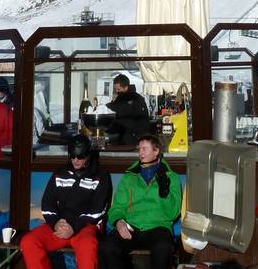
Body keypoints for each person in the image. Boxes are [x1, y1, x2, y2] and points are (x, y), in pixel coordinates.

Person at [21, 135, 112, 269]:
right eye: (72, 156)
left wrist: (74, 227)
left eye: (80, 157)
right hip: (61, 225)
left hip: (84, 226)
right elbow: (47, 202)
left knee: (88, 246)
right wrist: (55, 222)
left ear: (88, 155)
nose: (75, 160)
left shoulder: (100, 176)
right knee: (29, 241)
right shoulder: (60, 173)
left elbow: (98, 210)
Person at [99, 134, 182, 269]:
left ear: (156, 151)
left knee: (164, 248)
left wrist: (164, 193)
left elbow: (172, 214)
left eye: (144, 149)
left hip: (158, 226)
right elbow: (117, 207)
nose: (140, 152)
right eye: (139, 149)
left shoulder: (171, 177)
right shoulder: (130, 177)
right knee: (107, 247)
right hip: (132, 225)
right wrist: (119, 222)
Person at [106, 74, 150, 145]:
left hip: (132, 137)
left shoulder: (136, 99)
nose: (116, 91)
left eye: (118, 89)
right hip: (121, 136)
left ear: (126, 87)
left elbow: (142, 121)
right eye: (115, 89)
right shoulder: (120, 98)